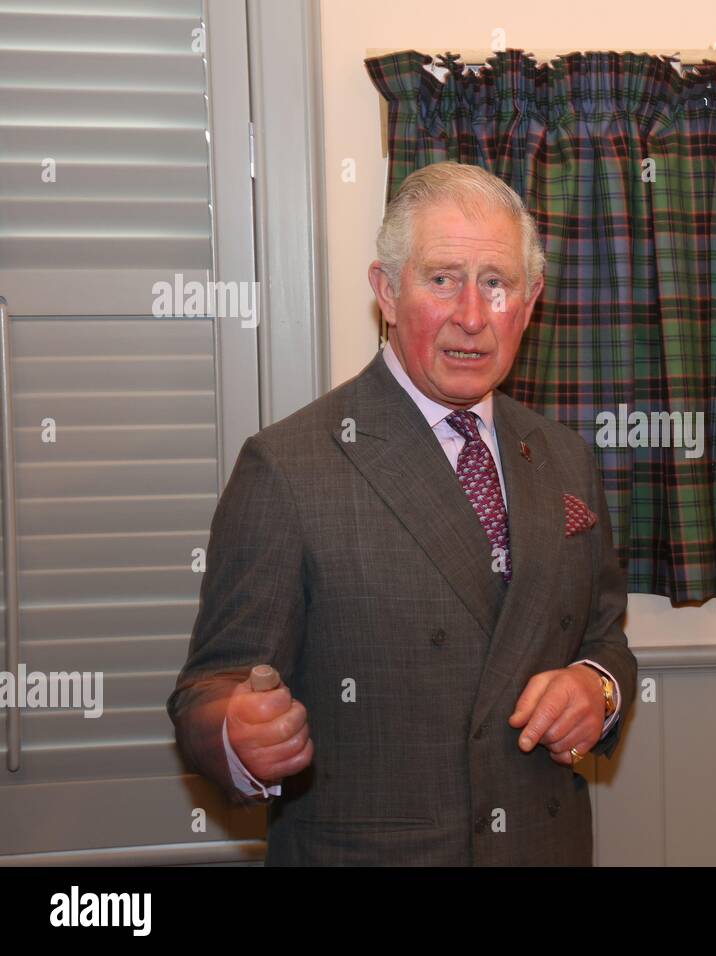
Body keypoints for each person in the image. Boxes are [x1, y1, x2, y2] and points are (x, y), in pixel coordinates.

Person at [167, 162, 637, 865]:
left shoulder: (566, 457)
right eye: (442, 278)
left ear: (531, 302)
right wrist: (237, 734)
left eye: (497, 284)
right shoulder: (290, 467)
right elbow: (209, 690)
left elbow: (606, 639)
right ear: (387, 291)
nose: (473, 317)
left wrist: (595, 690)